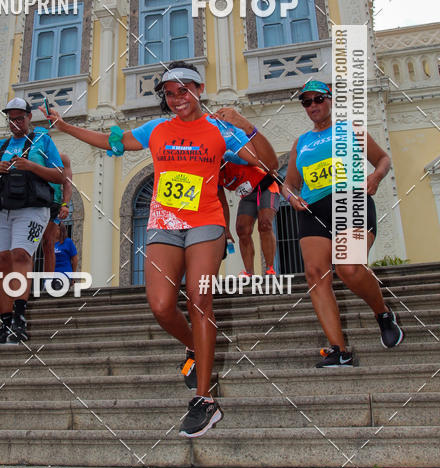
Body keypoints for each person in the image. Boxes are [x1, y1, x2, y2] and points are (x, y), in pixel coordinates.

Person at [45, 60, 276, 438]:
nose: (176, 98)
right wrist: (65, 126)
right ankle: (196, 346)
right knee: (161, 305)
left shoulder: (220, 129)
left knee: (199, 300)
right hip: (164, 224)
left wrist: (245, 124)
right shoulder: (157, 129)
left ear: (198, 90)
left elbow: (268, 162)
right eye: (169, 93)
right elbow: (111, 141)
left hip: (206, 222)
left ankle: (205, 400)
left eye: (183, 90)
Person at [281, 80, 404, 367]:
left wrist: (376, 177)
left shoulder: (351, 129)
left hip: (350, 200)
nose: (313, 105)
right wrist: (290, 197)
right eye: (307, 102)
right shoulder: (301, 142)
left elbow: (383, 159)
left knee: (348, 267)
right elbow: (289, 183)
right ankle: (339, 351)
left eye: (318, 99)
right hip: (313, 210)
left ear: (330, 99)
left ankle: (383, 313)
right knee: (315, 274)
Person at [0, 97, 63, 347]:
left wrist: (30, 166)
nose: (15, 123)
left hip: (32, 207)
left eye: (19, 118)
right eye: (11, 119)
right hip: (0, 208)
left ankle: (19, 319)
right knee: (0, 259)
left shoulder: (43, 140)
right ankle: (5, 323)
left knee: (21, 254)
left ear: (29, 117)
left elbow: (59, 175)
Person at [215, 107, 280, 276]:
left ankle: (270, 268)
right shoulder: (214, 176)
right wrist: (226, 229)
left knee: (265, 224)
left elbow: (259, 161)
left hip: (266, 186)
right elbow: (223, 204)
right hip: (248, 195)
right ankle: (249, 272)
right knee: (242, 229)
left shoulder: (231, 157)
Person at [41, 152, 73, 283]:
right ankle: (25, 284)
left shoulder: (62, 157)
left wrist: (65, 204)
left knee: (48, 242)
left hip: (53, 203)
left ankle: (48, 282)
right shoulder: (28, 153)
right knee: (28, 246)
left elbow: (68, 183)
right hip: (31, 204)